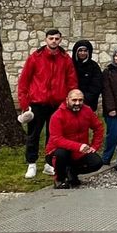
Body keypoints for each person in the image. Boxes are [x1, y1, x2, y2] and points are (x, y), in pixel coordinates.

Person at [18, 29, 78, 179]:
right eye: (51, 38)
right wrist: (25, 104)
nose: (54, 41)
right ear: (46, 40)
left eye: (56, 38)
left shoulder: (65, 59)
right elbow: (24, 81)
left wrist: (69, 101)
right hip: (37, 102)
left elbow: (71, 81)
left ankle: (49, 163)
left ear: (60, 40)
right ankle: (31, 163)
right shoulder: (35, 57)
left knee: (53, 135)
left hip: (57, 104)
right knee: (33, 135)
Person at [45, 89, 104, 188]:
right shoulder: (57, 115)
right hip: (57, 151)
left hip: (80, 151)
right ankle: (59, 179)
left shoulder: (87, 111)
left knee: (97, 163)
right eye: (74, 100)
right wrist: (78, 146)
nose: (77, 103)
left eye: (80, 100)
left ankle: (71, 172)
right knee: (61, 153)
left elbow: (98, 127)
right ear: (67, 100)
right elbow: (57, 139)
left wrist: (94, 146)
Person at [72, 39, 103, 112]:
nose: (82, 53)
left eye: (85, 51)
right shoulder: (70, 64)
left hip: (89, 103)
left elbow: (96, 85)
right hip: (72, 101)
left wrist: (84, 99)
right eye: (80, 51)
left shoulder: (94, 66)